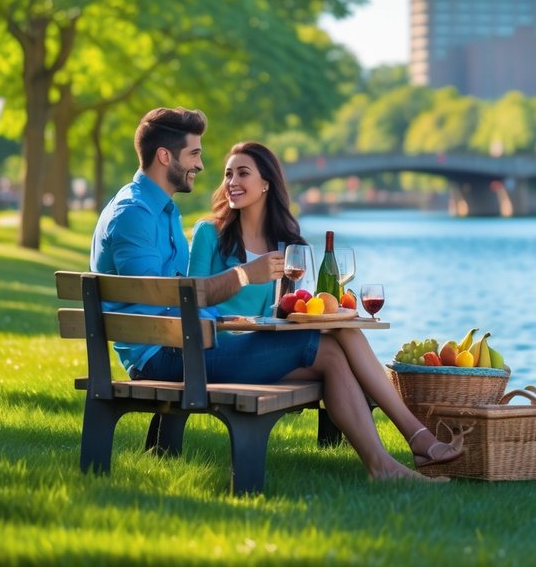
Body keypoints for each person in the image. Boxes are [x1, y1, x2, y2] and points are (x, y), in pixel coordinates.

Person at [91, 107, 465, 481]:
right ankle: (404, 449)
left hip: (188, 345)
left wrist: (226, 317)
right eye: (194, 154)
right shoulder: (135, 214)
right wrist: (243, 275)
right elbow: (163, 297)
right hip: (167, 357)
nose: (201, 166)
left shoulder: (163, 211)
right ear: (164, 156)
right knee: (326, 347)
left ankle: (391, 459)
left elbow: (176, 296)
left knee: (334, 352)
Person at [187, 141, 304, 318]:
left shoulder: (287, 244)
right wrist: (246, 273)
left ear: (266, 183)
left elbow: (288, 311)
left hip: (268, 338)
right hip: (220, 340)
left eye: (243, 173)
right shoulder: (208, 233)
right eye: (228, 175)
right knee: (325, 343)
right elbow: (190, 300)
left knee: (342, 332)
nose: (232, 182)